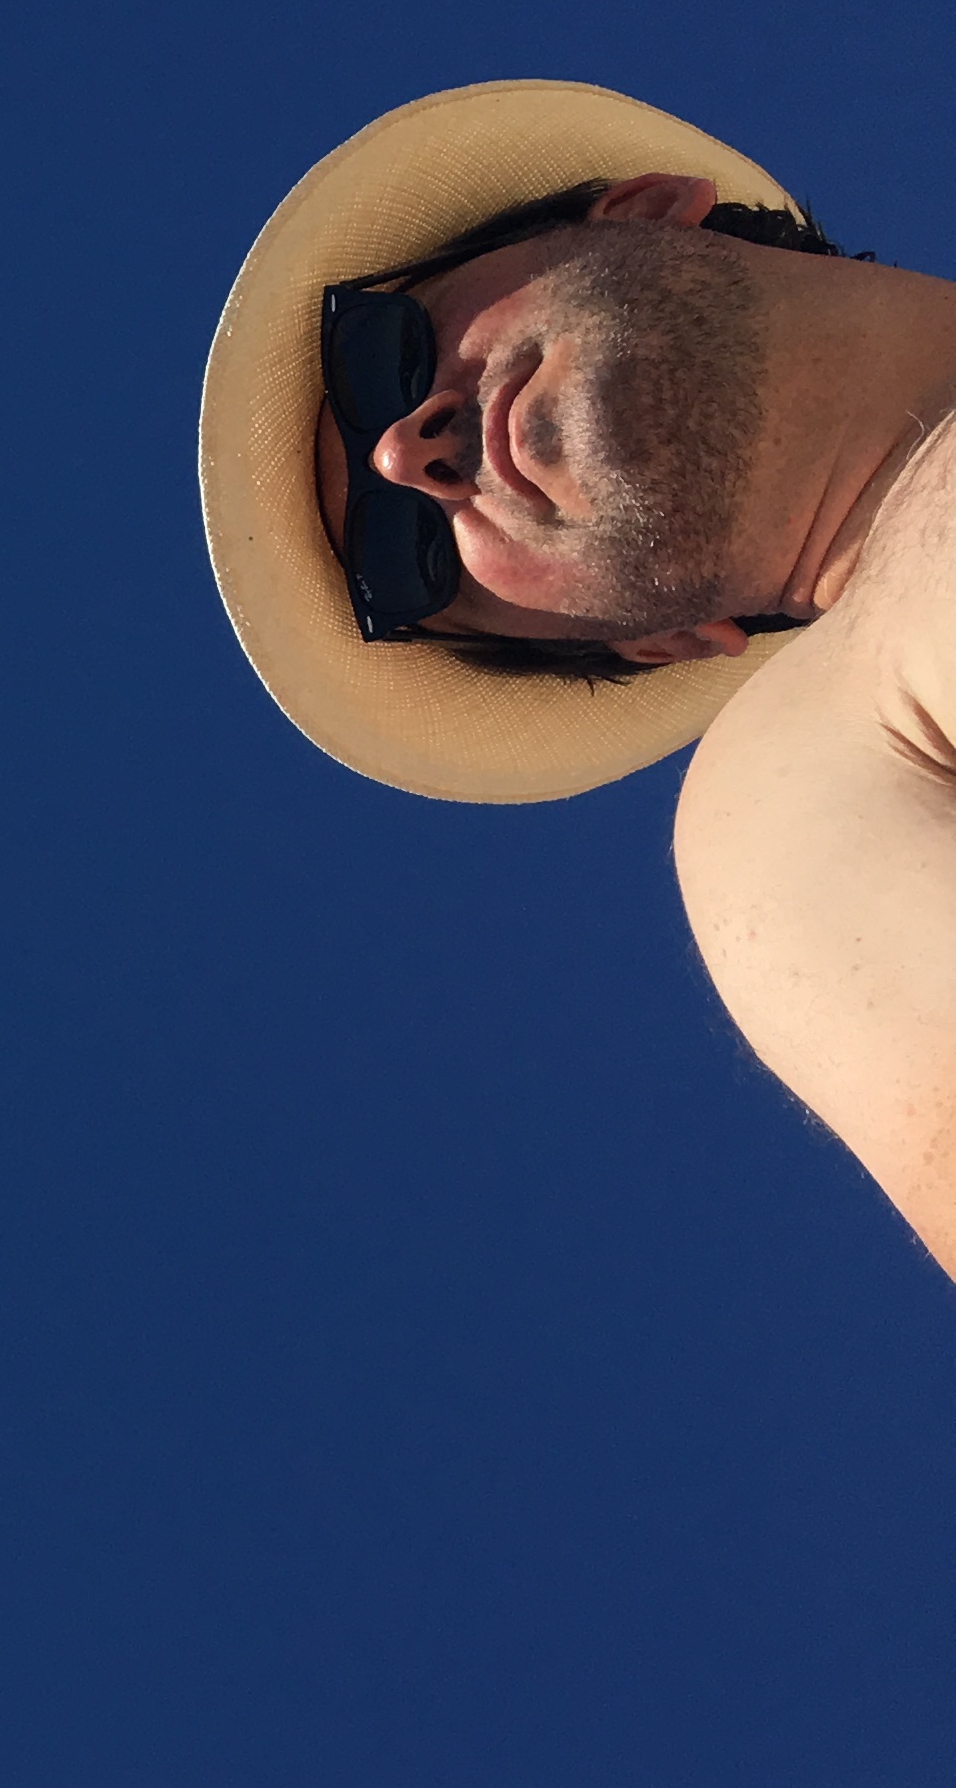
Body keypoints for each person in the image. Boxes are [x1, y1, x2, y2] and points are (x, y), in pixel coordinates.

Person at [205, 81, 956, 1274]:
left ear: (645, 211)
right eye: (401, 559)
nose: (410, 451)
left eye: (384, 352)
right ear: (665, 640)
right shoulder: (793, 789)